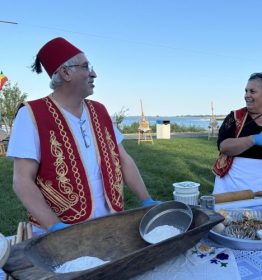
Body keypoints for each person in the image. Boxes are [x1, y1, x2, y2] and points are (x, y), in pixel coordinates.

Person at [7, 37, 157, 235]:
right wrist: (55, 227)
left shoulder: (100, 110)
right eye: (86, 66)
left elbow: (123, 159)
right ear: (65, 72)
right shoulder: (32, 114)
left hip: (109, 221)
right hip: (58, 230)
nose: (93, 73)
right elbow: (22, 180)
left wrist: (146, 200)